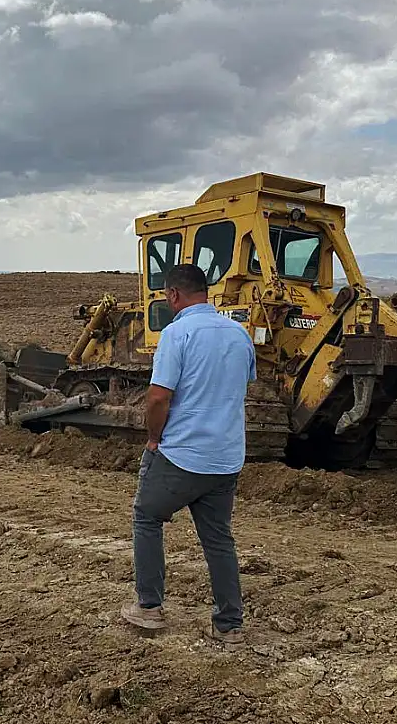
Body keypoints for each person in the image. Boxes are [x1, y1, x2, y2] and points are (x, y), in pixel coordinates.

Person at [119, 263, 256, 645]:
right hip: (226, 458)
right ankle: (229, 626)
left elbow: (158, 397)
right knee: (218, 539)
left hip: (182, 456)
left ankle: (149, 608)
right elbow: (239, 386)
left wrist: (154, 438)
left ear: (174, 294)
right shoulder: (239, 334)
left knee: (147, 516)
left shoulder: (176, 334)